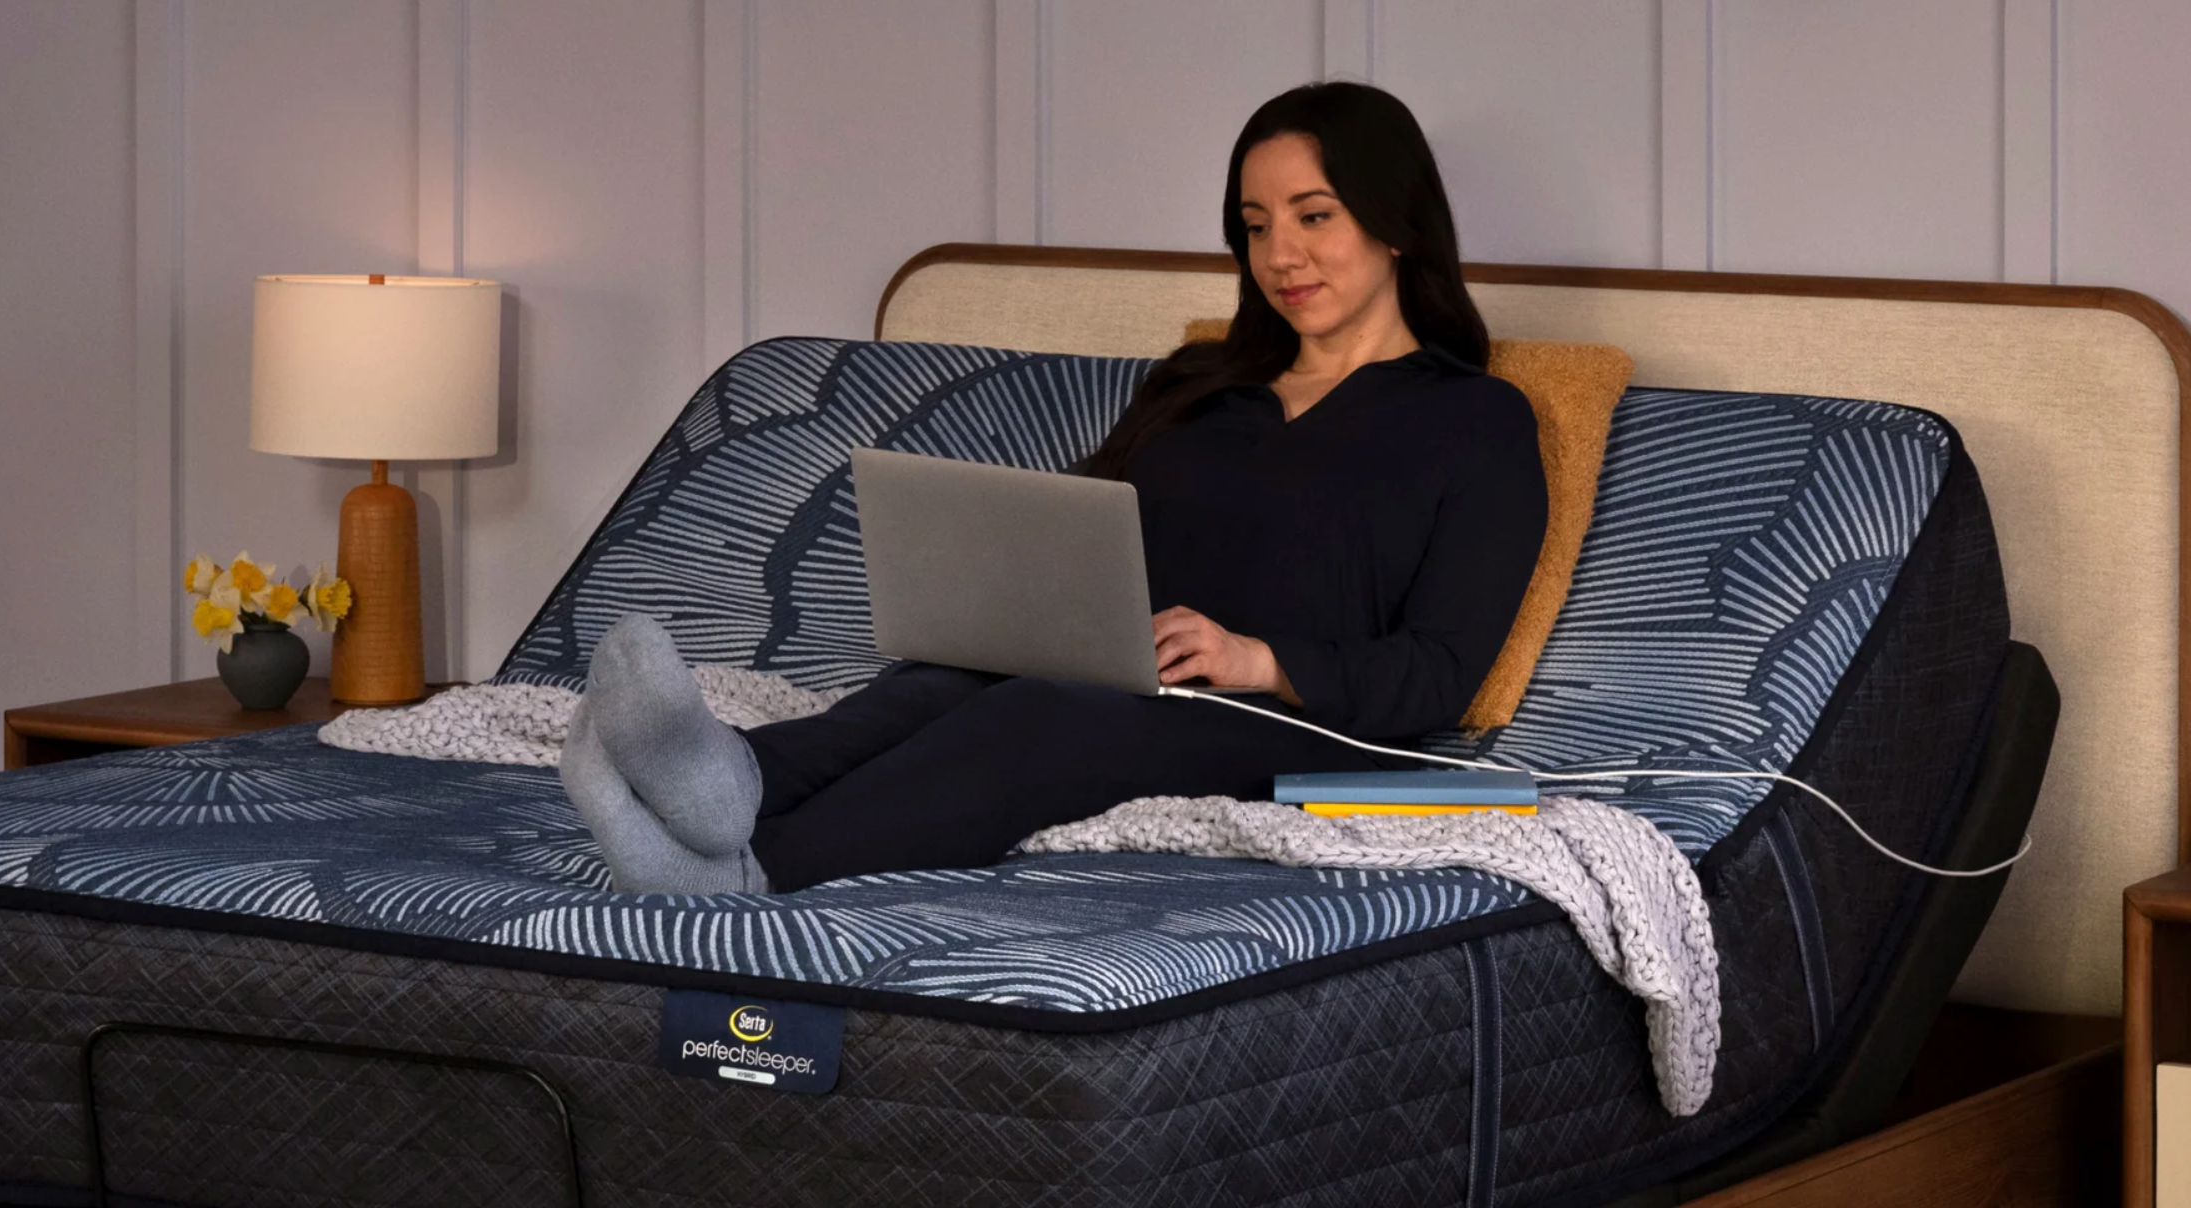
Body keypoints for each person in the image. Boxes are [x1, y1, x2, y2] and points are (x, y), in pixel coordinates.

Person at [561, 81, 1550, 895]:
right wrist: (1000, 595)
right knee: (940, 685)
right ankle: (722, 784)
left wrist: (1253, 656)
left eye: (1314, 216)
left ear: (1397, 224)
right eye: (1255, 226)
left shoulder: (1477, 423)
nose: (1280, 254)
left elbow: (1442, 670)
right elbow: (1084, 532)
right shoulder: (1200, 384)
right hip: (1119, 675)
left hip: (1287, 722)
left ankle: (750, 874)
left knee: (1049, 716)